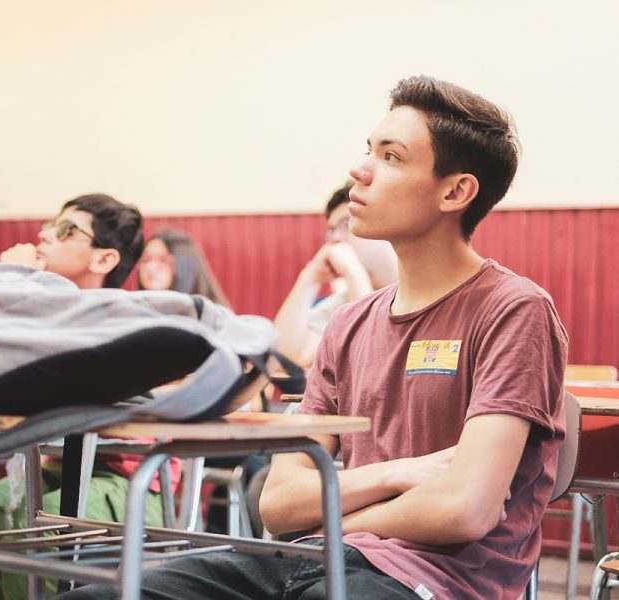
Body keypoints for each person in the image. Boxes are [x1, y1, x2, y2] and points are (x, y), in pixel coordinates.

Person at [59, 75, 568, 600]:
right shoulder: (349, 323)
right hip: (299, 559)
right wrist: (398, 474)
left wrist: (338, 517)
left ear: (455, 191)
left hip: (424, 578)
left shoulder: (513, 309)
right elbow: (278, 505)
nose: (361, 169)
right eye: (368, 149)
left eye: (392, 157)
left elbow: (465, 509)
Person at [0, 193, 152, 600]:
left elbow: (67, 359)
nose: (44, 235)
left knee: (28, 521)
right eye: (49, 224)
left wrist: (19, 286)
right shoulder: (42, 305)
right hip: (63, 466)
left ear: (104, 260)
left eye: (65, 230)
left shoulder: (119, 311)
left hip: (130, 479)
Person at [273, 183, 397, 367]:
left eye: (346, 224)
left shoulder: (417, 290)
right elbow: (282, 360)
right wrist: (309, 277)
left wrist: (353, 272)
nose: (335, 239)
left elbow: (376, 355)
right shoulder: (342, 303)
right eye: (331, 230)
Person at [138, 230, 231, 307]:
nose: (150, 267)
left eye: (163, 259)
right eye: (146, 259)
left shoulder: (210, 313)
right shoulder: (135, 308)